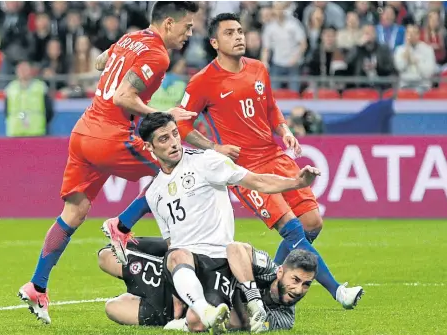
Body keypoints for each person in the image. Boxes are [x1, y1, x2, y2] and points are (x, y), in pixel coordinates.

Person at [17, 1, 200, 324]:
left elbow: (102, 61)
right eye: (187, 27)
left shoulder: (131, 38)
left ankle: (38, 285)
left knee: (74, 212)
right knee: (173, 167)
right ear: (169, 23)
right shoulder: (158, 55)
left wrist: (121, 64)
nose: (190, 33)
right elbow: (123, 98)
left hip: (84, 131)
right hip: (109, 135)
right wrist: (164, 114)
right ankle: (122, 225)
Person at [176, 13, 363, 309]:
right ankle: (338, 290)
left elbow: (271, 108)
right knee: (293, 230)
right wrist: (215, 146)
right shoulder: (202, 82)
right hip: (245, 170)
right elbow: (183, 126)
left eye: (240, 31)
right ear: (214, 42)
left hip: (275, 155)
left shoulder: (258, 68)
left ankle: (268, 287)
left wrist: (285, 131)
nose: (238, 37)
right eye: (229, 33)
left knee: (313, 223)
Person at [132, 111, 321, 333]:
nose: (174, 143)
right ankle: (194, 310)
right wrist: (177, 290)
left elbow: (257, 181)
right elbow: (172, 242)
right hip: (188, 266)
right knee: (112, 281)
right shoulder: (154, 192)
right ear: (149, 147)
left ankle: (223, 310)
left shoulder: (206, 161)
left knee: (199, 322)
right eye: (164, 139)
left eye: (175, 134)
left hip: (218, 262)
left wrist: (296, 182)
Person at [97, 238, 317, 332]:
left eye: (306, 285)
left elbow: (237, 322)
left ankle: (182, 320)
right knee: (106, 257)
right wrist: (254, 299)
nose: (299, 290)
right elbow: (234, 248)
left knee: (113, 308)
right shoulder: (268, 268)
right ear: (281, 272)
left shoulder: (285, 318)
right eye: (295, 280)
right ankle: (173, 245)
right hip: (195, 274)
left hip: (179, 310)